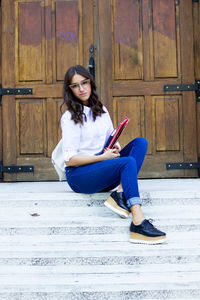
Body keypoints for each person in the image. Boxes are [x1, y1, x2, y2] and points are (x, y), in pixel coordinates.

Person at [60, 65, 166, 244]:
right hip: (80, 177)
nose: (82, 89)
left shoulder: (101, 109)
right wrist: (102, 157)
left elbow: (112, 138)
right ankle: (138, 221)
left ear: (90, 83)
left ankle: (120, 193)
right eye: (75, 85)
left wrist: (114, 149)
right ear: (70, 90)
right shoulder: (70, 117)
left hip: (102, 169)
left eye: (84, 83)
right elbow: (70, 160)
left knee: (140, 143)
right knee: (127, 163)